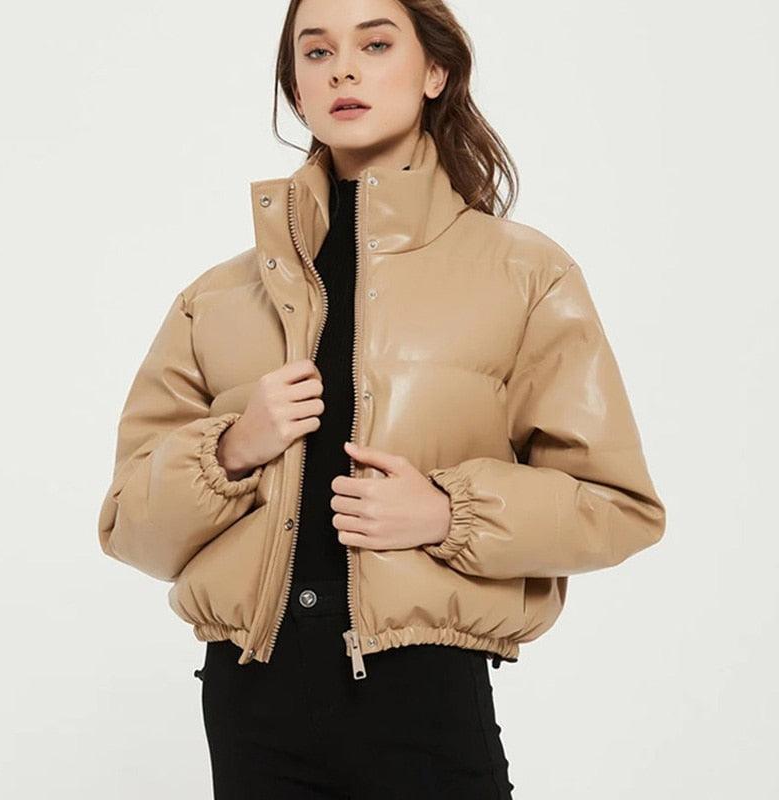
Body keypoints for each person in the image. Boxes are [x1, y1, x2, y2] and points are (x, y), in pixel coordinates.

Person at [98, 1, 667, 797]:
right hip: (253, 701)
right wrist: (230, 449)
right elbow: (129, 528)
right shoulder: (216, 299)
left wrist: (447, 512)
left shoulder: (526, 275)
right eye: (316, 52)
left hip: (421, 695)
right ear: (296, 87)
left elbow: (619, 507)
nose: (343, 70)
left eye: (374, 44)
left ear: (435, 70)